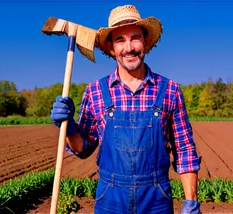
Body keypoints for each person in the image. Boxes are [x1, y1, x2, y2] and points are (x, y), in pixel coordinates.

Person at [50, 4, 202, 214]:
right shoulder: (95, 91)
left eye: (135, 37)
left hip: (156, 200)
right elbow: (82, 149)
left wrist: (191, 201)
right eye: (120, 40)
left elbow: (185, 151)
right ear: (111, 48)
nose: (129, 47)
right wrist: (69, 128)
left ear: (146, 42)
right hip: (110, 199)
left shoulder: (170, 91)